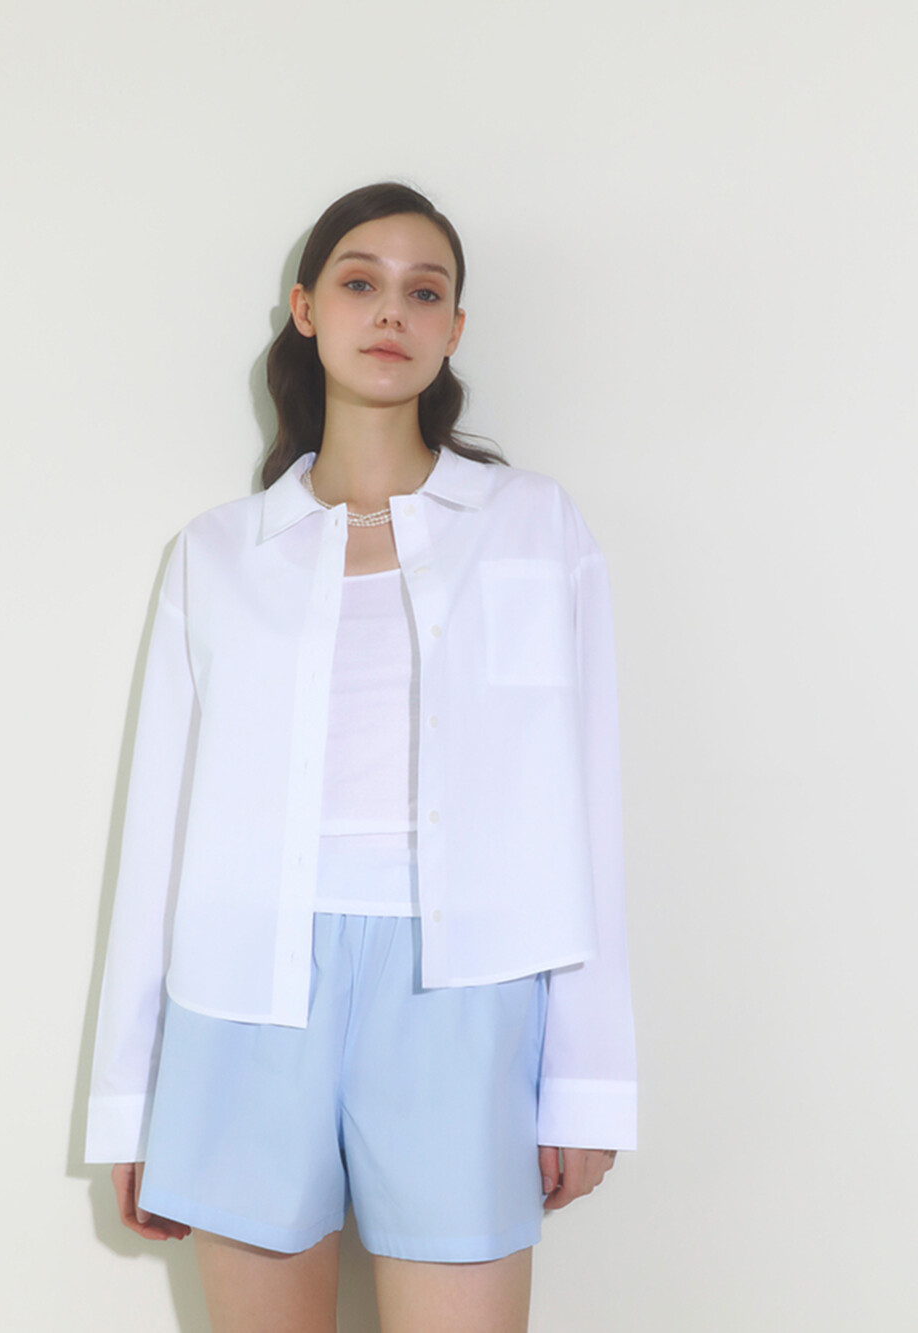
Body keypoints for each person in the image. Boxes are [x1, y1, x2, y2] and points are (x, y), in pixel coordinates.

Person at [84, 181, 637, 1333]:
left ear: (453, 328)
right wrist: (131, 1100)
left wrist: (588, 1082)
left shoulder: (533, 528)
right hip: (243, 997)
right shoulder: (218, 553)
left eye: (423, 292)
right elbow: (160, 834)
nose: (391, 311)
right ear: (306, 310)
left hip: (465, 990)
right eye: (359, 282)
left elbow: (583, 806)